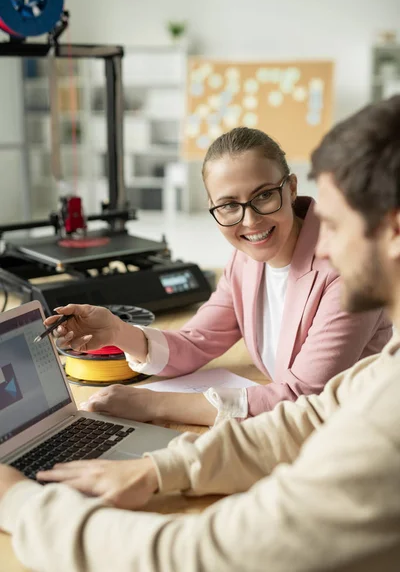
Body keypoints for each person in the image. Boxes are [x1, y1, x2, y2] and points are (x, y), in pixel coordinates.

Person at [1, 95, 400, 571]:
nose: (322, 245)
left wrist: (23, 505)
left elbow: (203, 554)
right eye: (229, 207)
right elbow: (312, 414)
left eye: (331, 225)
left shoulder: (384, 418)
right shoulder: (385, 372)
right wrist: (159, 466)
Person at [43, 128, 390, 426]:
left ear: (292, 188)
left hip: (354, 438)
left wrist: (151, 404)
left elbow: (302, 400)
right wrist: (118, 332)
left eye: (264, 195)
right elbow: (196, 342)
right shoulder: (245, 261)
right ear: (213, 207)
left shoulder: (347, 268)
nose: (251, 221)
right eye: (228, 205)